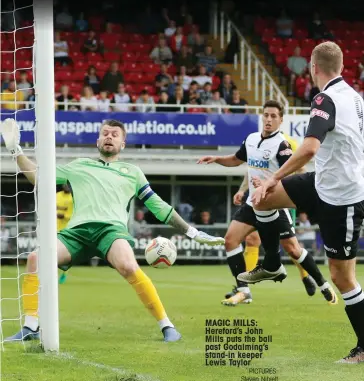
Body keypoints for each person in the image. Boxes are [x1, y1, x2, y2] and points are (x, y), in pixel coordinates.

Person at [1, 118, 224, 343]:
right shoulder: (79, 166)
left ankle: (167, 325)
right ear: (97, 140)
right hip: (77, 232)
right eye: (105, 133)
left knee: (128, 266)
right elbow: (39, 177)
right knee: (34, 259)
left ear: (123, 144)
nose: (109, 136)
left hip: (111, 230)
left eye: (115, 134)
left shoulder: (133, 172)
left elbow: (159, 206)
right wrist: (15, 151)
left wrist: (192, 232)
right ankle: (31, 327)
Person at [243, 42, 364, 364]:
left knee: (343, 278)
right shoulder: (355, 97)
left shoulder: (326, 99)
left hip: (342, 197)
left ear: (313, 67)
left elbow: (309, 148)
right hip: (323, 182)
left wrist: (273, 177)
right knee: (263, 201)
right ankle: (271, 263)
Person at [197, 100, 337, 307]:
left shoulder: (283, 145)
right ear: (261, 117)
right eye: (266, 115)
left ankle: (323, 283)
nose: (269, 119)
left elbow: (291, 175)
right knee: (230, 241)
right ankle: (244, 291)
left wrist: (269, 185)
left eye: (273, 116)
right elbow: (237, 160)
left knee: (293, 249)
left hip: (273, 204)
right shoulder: (252, 139)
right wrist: (217, 158)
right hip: (253, 204)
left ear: (281, 119)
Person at [56, 184, 73, 284]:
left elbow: (71, 214)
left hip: (66, 228)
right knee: (54, 252)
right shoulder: (57, 195)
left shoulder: (72, 198)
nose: (66, 186)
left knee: (66, 252)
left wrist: (62, 215)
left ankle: (64, 273)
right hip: (54, 227)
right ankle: (55, 273)